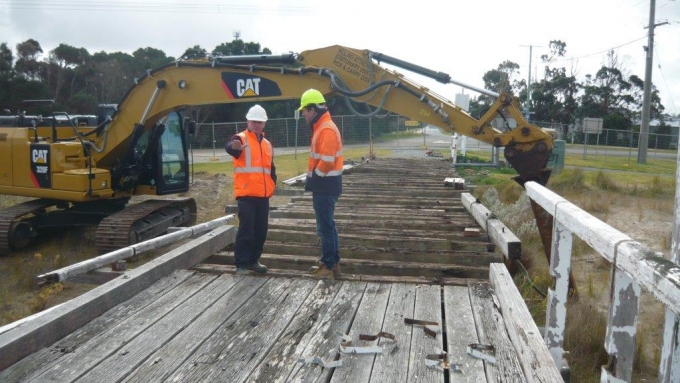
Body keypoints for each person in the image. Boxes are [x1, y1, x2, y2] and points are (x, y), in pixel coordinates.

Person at [225, 104, 276, 275]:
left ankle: (254, 261)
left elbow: (271, 169)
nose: (257, 124)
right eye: (254, 121)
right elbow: (231, 146)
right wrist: (234, 147)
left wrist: (272, 185)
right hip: (246, 194)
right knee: (246, 230)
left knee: (261, 231)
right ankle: (241, 263)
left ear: (264, 124)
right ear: (248, 121)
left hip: (263, 195)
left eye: (260, 122)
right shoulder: (241, 139)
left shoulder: (268, 144)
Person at [298, 89, 344, 279]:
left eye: (304, 110)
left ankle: (327, 264)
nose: (303, 114)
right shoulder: (323, 126)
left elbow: (327, 161)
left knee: (324, 228)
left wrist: (314, 178)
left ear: (313, 109)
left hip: (325, 185)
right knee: (328, 226)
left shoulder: (325, 128)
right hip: (327, 185)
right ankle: (333, 263)